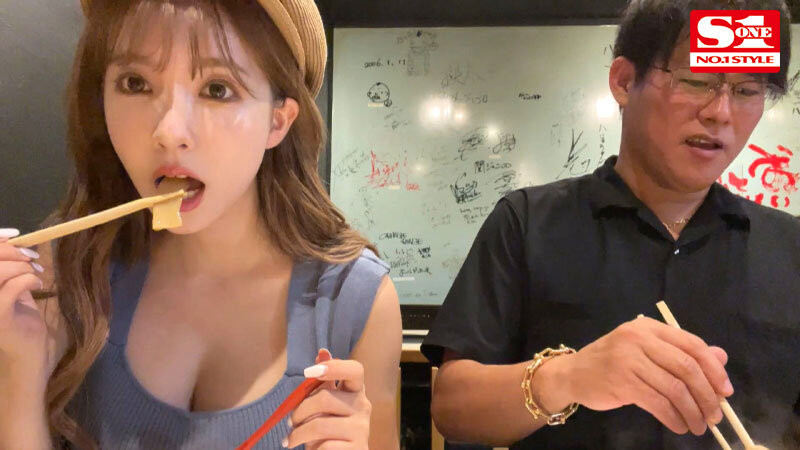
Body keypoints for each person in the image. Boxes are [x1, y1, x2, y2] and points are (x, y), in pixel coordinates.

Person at [0, 0, 402, 448]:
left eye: (217, 89)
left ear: (277, 121)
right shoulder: (65, 271)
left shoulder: (356, 302)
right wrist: (19, 372)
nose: (169, 132)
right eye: (135, 84)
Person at [422, 0, 800, 448]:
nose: (721, 112)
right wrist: (569, 376)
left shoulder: (790, 249)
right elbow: (454, 408)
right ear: (623, 81)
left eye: (747, 90)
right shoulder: (528, 223)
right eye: (697, 81)